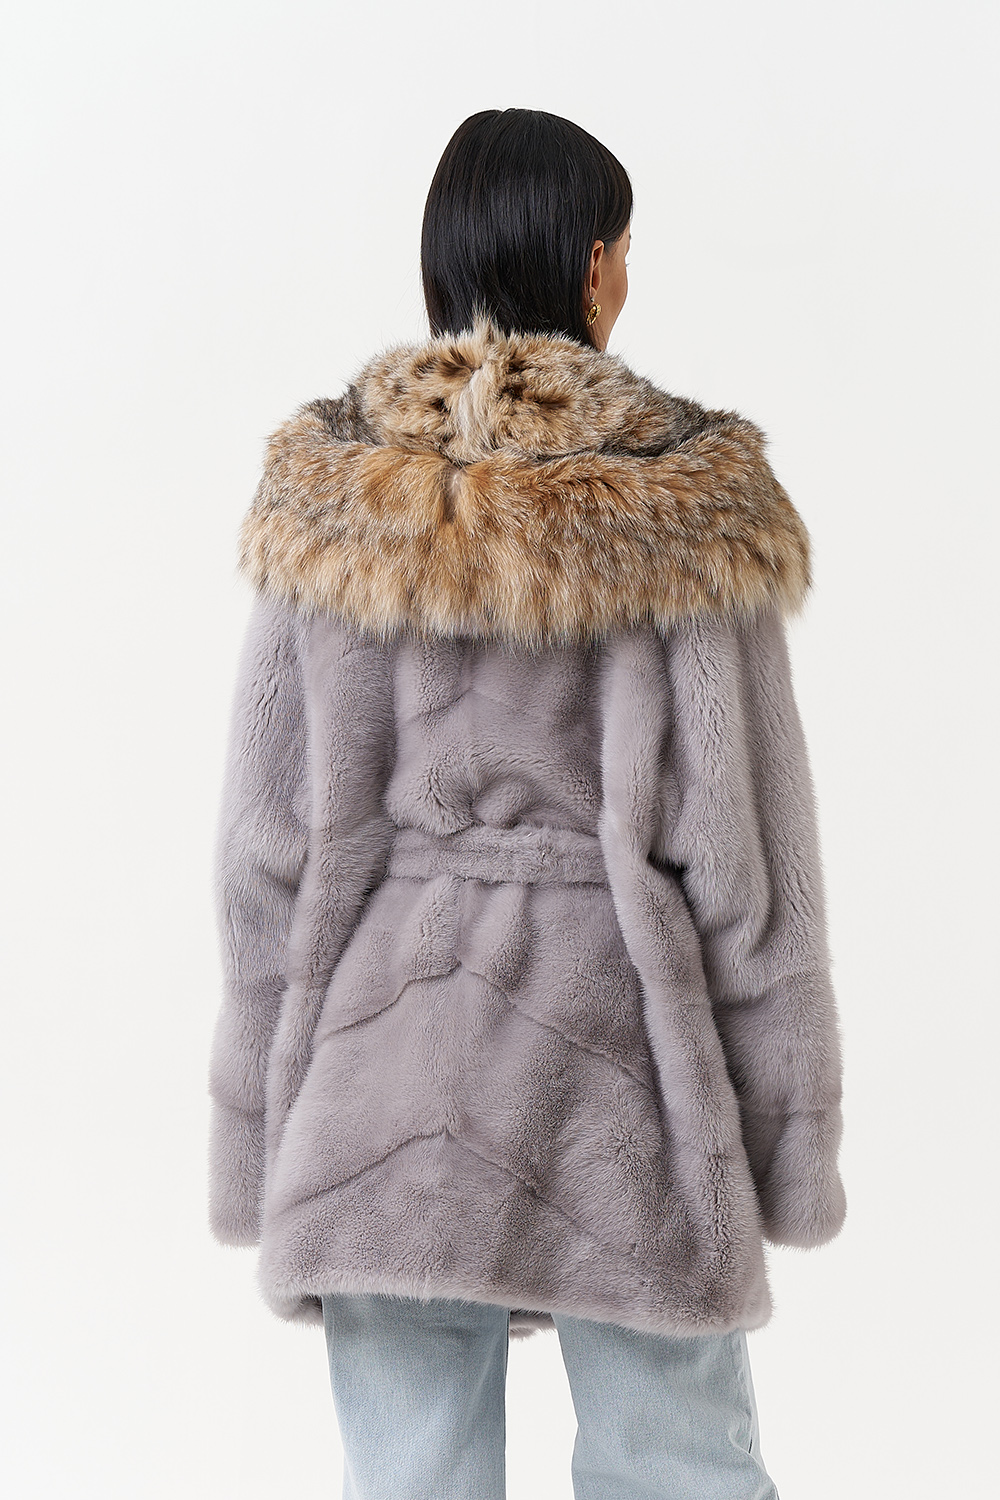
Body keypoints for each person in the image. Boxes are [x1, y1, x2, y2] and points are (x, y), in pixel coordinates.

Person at [207, 107, 846, 1500]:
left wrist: (261, 1126)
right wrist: (784, 1136)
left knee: (411, 1478)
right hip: (619, 1062)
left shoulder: (331, 494)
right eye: (626, 248)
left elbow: (266, 851)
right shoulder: (686, 498)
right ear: (595, 262)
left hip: (375, 1071)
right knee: (679, 1465)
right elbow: (744, 860)